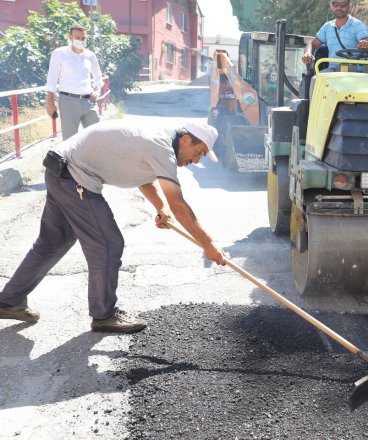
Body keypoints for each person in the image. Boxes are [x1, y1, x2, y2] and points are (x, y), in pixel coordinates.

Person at [0, 120, 228, 334]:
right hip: (74, 176)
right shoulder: (162, 147)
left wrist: (160, 206)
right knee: (108, 244)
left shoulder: (159, 140)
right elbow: (179, 205)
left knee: (53, 242)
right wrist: (208, 244)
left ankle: (10, 301)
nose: (197, 161)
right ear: (187, 139)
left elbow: (143, 175)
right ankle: (104, 315)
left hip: (60, 169)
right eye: (199, 153)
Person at [45, 25, 105, 140]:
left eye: (83, 38)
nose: (80, 40)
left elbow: (98, 77)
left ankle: (90, 158)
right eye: (77, 37)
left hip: (89, 101)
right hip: (68, 102)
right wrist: (50, 103)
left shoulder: (90, 56)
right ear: (70, 37)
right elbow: (52, 80)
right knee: (70, 141)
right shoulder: (59, 53)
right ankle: (72, 159)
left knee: (97, 137)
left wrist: (97, 91)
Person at [301, 0, 368, 71]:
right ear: (330, 6)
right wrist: (308, 53)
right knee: (316, 79)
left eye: (343, 5)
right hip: (333, 71)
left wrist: (365, 45)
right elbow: (312, 44)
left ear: (349, 7)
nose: (339, 8)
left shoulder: (358, 25)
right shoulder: (327, 27)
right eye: (335, 4)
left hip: (355, 72)